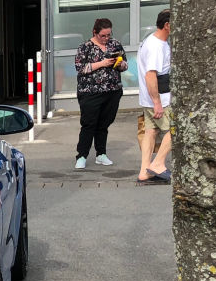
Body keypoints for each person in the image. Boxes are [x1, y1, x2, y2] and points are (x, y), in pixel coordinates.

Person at [73, 18, 128, 170]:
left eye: (108, 35)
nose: (106, 38)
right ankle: (82, 156)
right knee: (89, 124)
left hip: (112, 90)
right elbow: (80, 68)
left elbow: (125, 64)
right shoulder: (85, 47)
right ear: (94, 32)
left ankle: (101, 154)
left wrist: (120, 64)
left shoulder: (115, 44)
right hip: (90, 92)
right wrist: (102, 63)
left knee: (104, 124)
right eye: (103, 35)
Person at [136, 10, 172, 185]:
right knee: (176, 130)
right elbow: (151, 75)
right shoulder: (157, 45)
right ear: (167, 25)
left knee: (151, 132)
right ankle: (158, 163)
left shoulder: (150, 40)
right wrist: (157, 102)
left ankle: (144, 171)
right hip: (159, 99)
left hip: (149, 98)